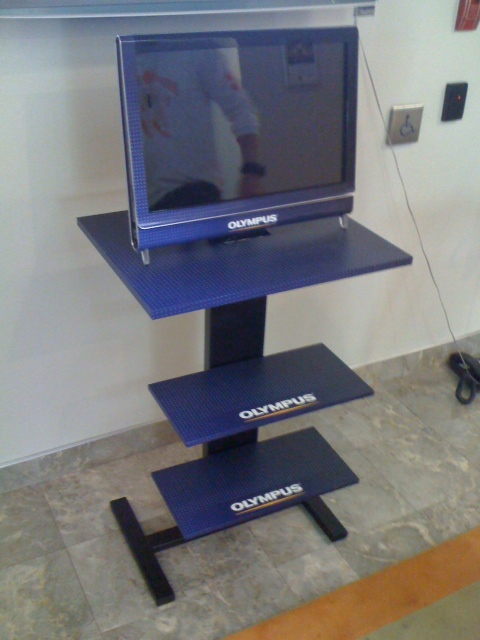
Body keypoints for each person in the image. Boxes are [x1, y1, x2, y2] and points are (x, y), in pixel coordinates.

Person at [136, 41, 265, 212]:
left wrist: (251, 173)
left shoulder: (197, 50)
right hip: (143, 200)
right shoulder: (122, 57)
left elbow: (242, 110)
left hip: (194, 193)